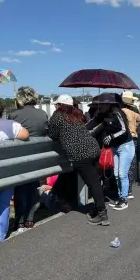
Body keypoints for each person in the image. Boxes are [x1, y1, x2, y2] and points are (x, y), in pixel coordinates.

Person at [48, 94, 110, 225]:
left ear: (59, 105)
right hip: (93, 148)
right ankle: (98, 208)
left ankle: (101, 213)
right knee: (93, 182)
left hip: (80, 154)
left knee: (92, 183)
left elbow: (52, 134)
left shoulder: (57, 117)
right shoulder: (77, 115)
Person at [0, 98, 30, 243]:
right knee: (4, 202)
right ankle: (0, 236)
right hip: (6, 170)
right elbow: (25, 135)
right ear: (2, 110)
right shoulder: (12, 124)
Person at [9, 86, 48, 231]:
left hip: (20, 157)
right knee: (33, 187)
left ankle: (19, 220)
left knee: (20, 188)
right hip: (37, 156)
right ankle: (30, 218)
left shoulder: (14, 115)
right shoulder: (43, 114)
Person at [91, 93, 135, 211]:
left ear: (110, 104)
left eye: (104, 104)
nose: (101, 106)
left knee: (122, 174)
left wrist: (112, 136)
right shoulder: (103, 115)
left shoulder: (117, 114)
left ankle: (124, 199)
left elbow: (124, 130)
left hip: (126, 146)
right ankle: (121, 197)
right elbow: (95, 127)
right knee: (116, 174)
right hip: (115, 147)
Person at [121, 91, 140, 197]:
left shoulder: (120, 111)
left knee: (122, 166)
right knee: (131, 164)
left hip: (122, 139)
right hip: (133, 138)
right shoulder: (133, 111)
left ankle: (123, 190)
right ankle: (129, 189)